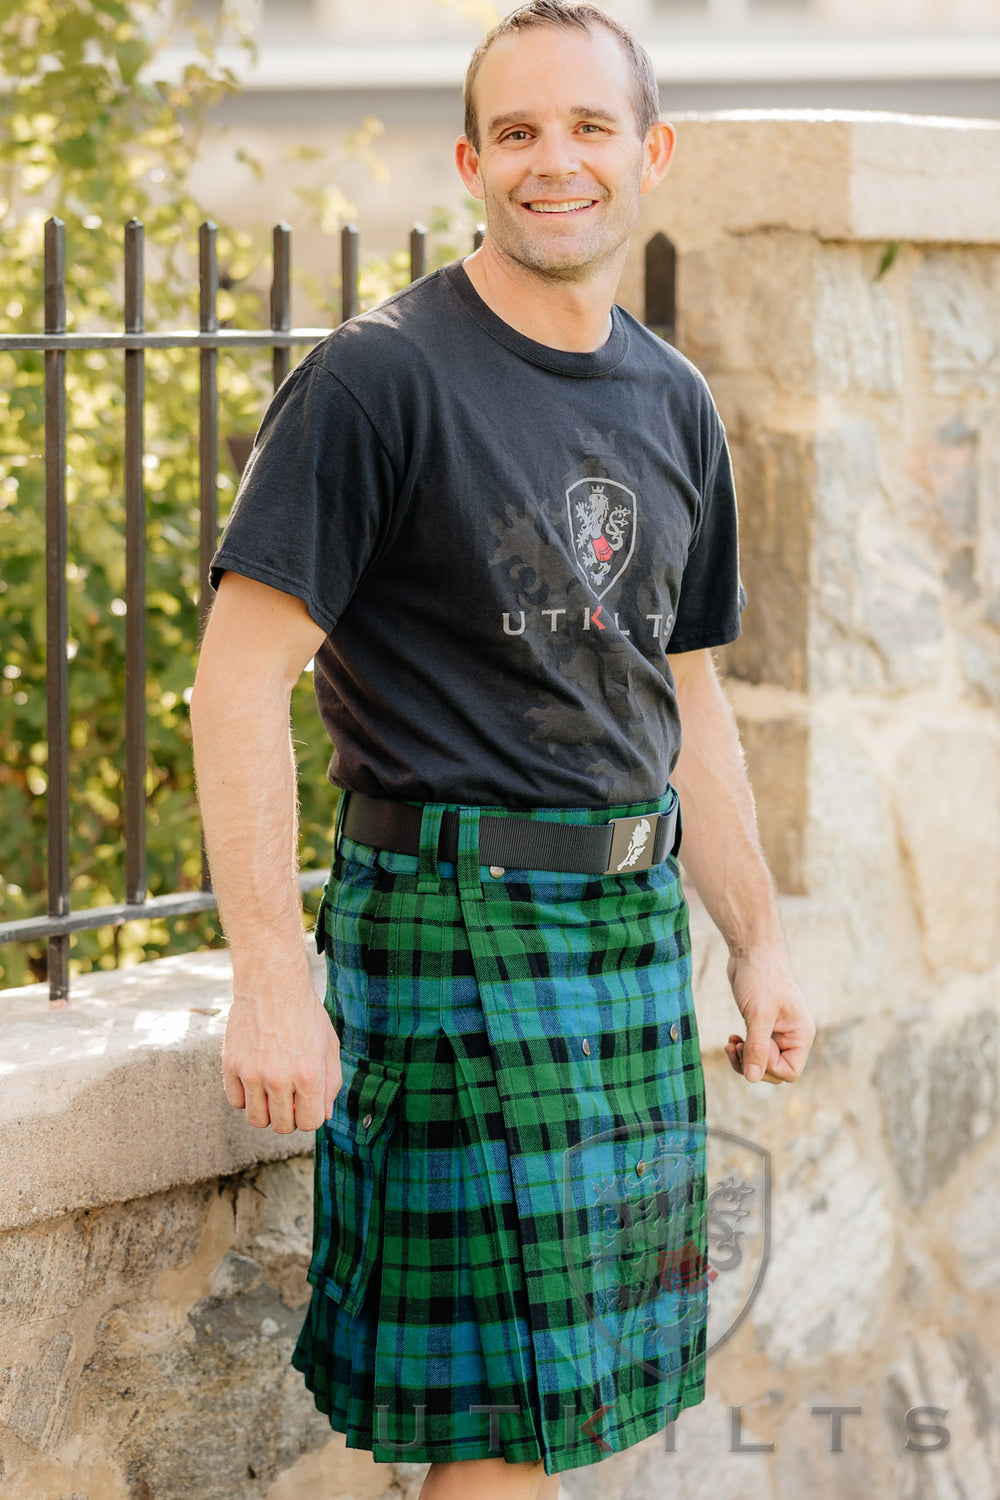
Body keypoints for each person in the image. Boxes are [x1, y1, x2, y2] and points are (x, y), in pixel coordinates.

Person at [190, 3, 816, 1495]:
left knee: (567, 1414)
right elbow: (234, 684)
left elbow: (683, 695)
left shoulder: (673, 399)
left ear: (650, 153)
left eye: (591, 127)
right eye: (519, 132)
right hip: (451, 933)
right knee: (500, 1434)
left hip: (625, 930)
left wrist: (758, 942)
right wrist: (271, 979)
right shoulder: (378, 377)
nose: (557, 161)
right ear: (472, 164)